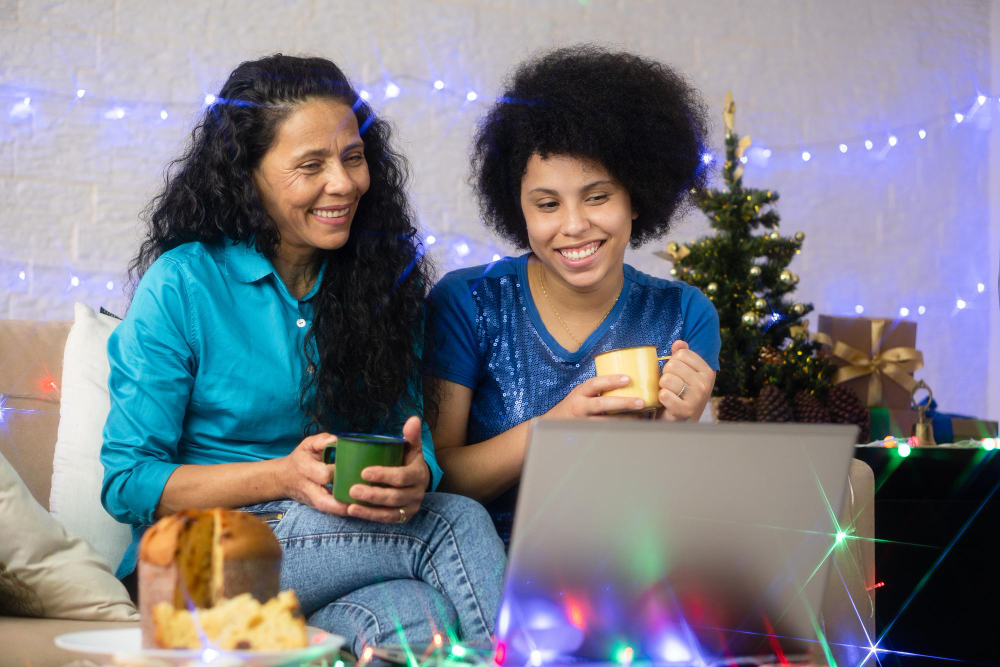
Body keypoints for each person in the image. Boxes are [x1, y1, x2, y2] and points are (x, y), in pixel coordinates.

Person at [100, 54, 504, 654]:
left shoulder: (380, 285)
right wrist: (282, 478)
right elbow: (127, 481)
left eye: (352, 157)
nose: (342, 183)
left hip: (332, 553)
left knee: (420, 616)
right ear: (248, 174)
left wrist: (419, 476)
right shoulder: (184, 284)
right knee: (458, 523)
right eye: (310, 165)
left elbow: (410, 445)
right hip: (198, 561)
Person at [426, 46, 722, 545]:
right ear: (517, 208)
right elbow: (438, 483)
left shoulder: (685, 314)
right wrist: (554, 429)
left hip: (621, 558)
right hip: (481, 561)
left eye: (597, 196)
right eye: (547, 204)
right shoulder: (469, 301)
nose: (573, 226)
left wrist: (677, 431)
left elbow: (669, 509)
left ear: (637, 197)